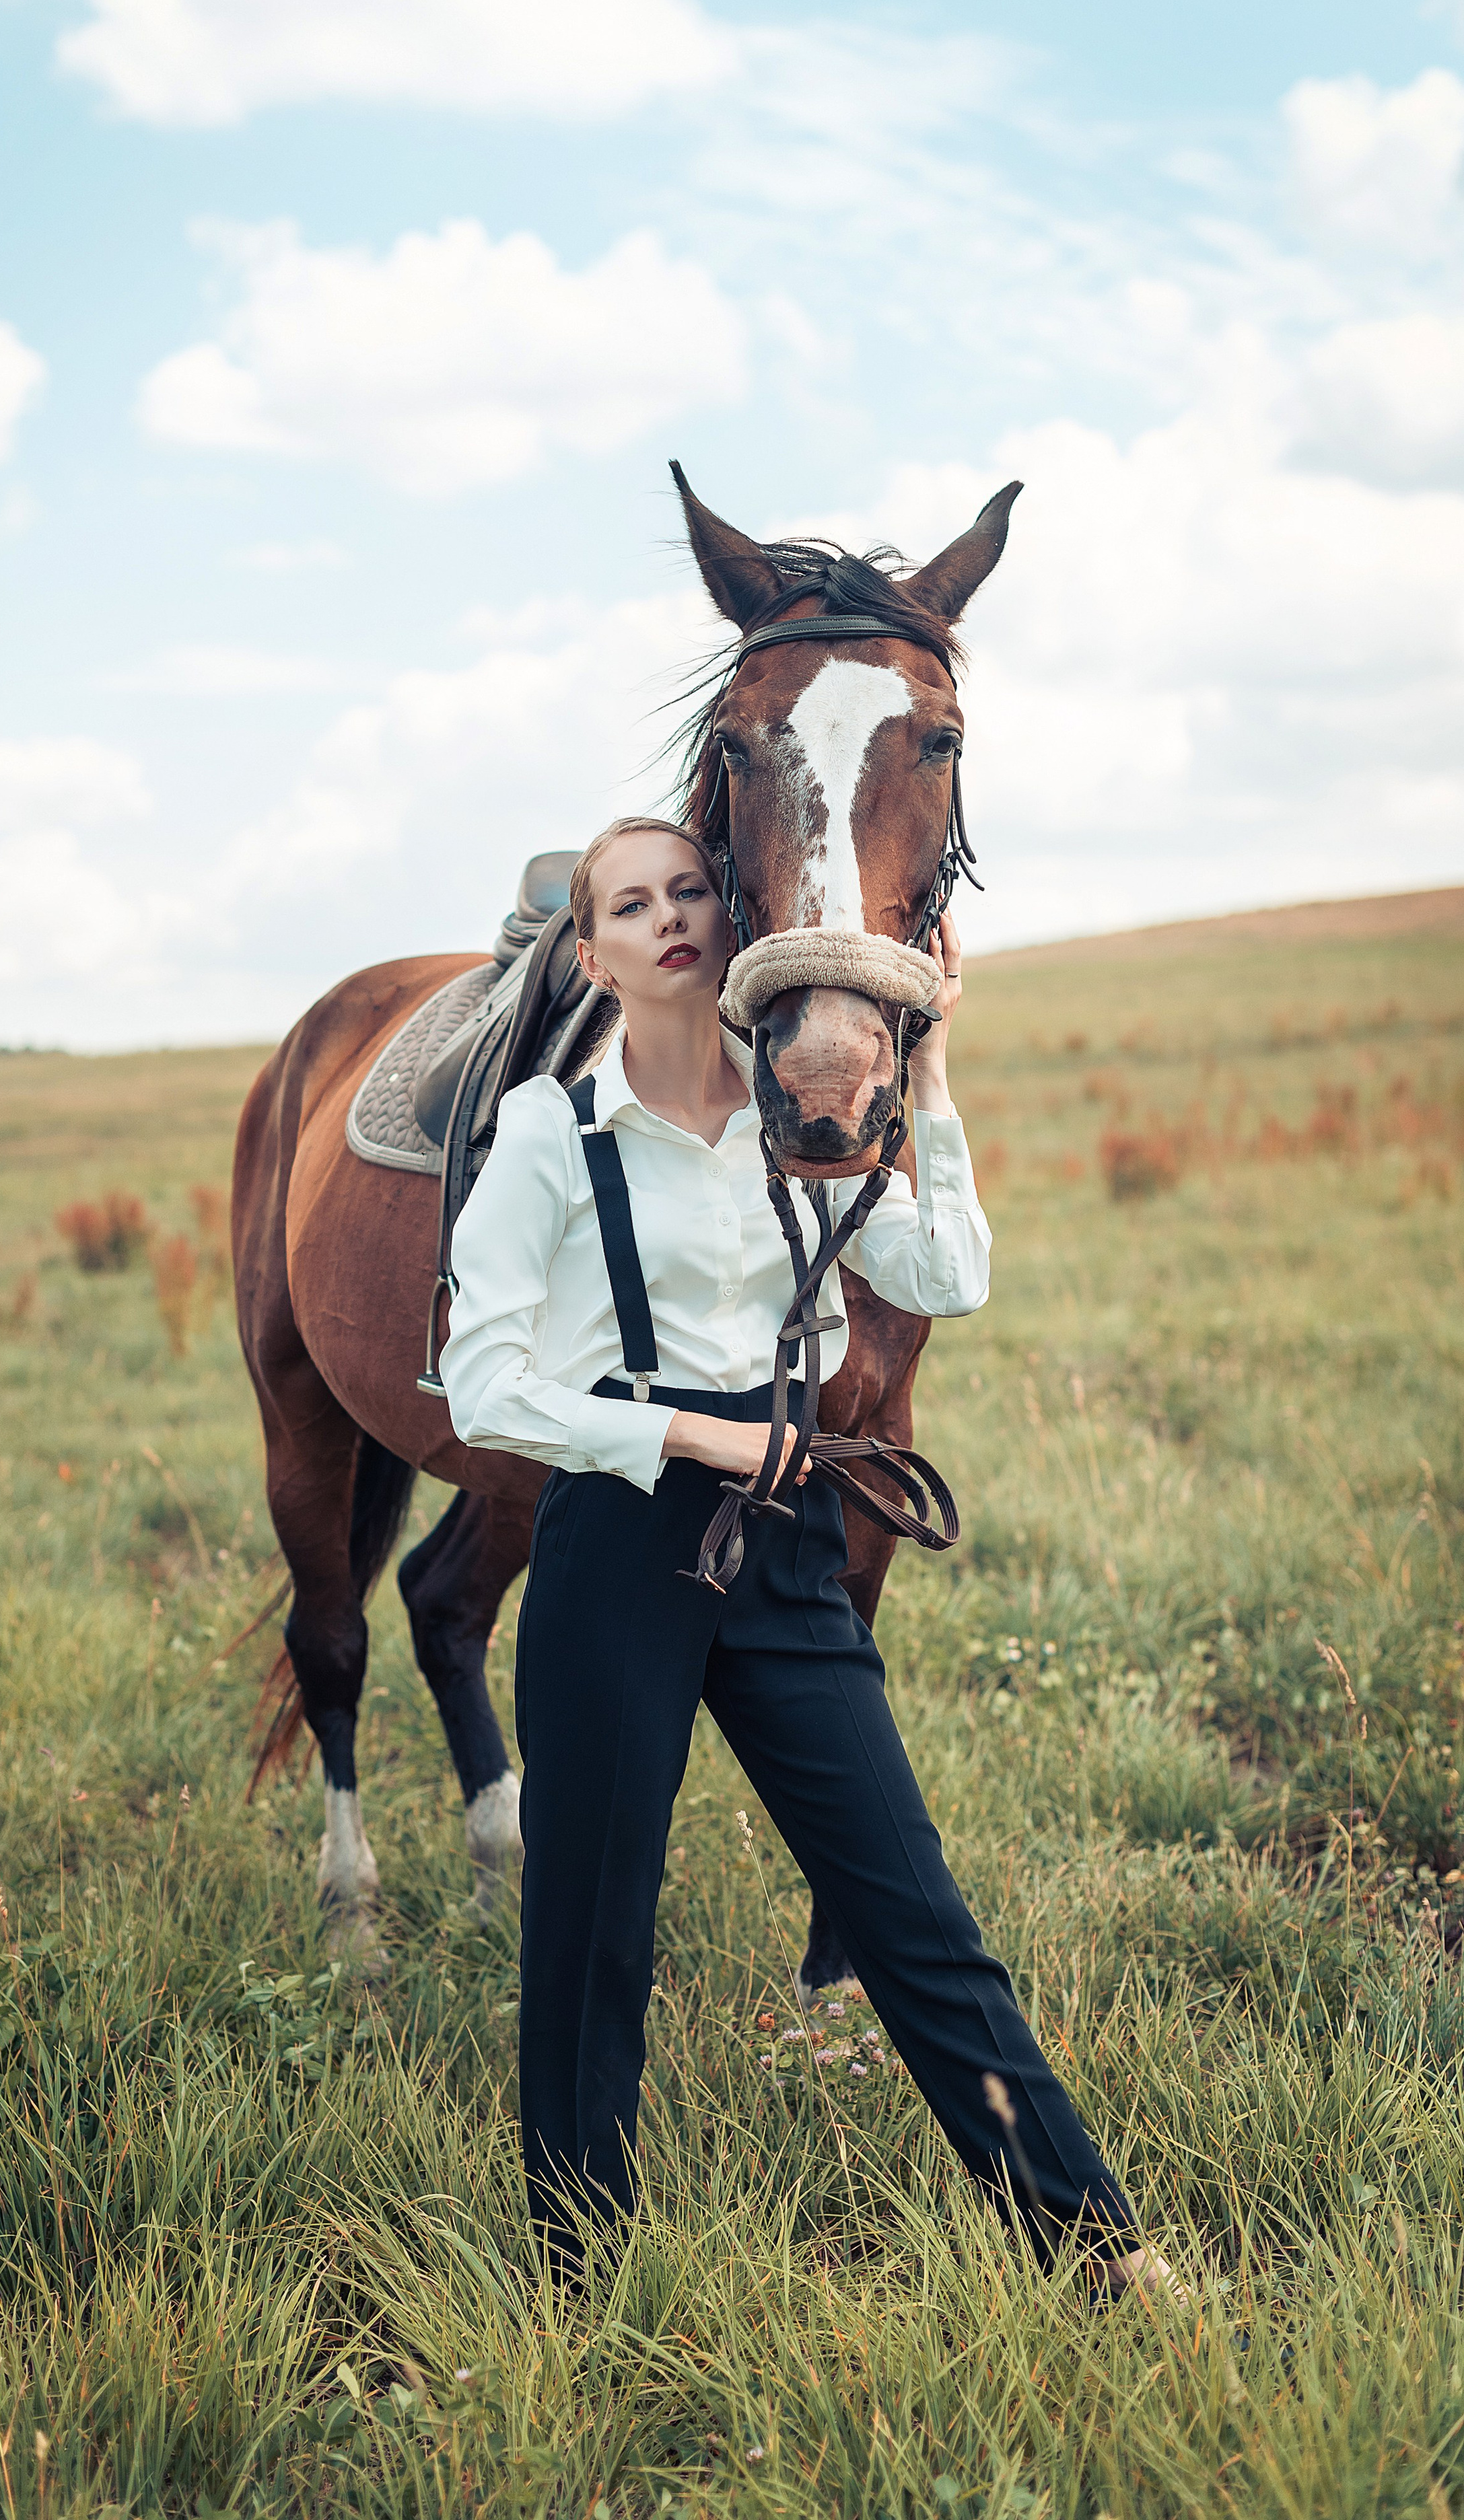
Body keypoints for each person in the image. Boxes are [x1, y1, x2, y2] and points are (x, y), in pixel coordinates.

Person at [440, 815, 1176, 2300]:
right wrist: (693, 1441)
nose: (668, 917)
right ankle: (574, 2279)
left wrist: (936, 1070)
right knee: (593, 1933)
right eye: (630, 904)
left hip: (785, 1547)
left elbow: (945, 1275)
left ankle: (1092, 2249)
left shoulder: (809, 1111)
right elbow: (480, 1383)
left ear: (737, 921)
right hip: (620, 1543)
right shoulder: (552, 1132)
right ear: (591, 953)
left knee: (909, 1907)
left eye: (691, 891)